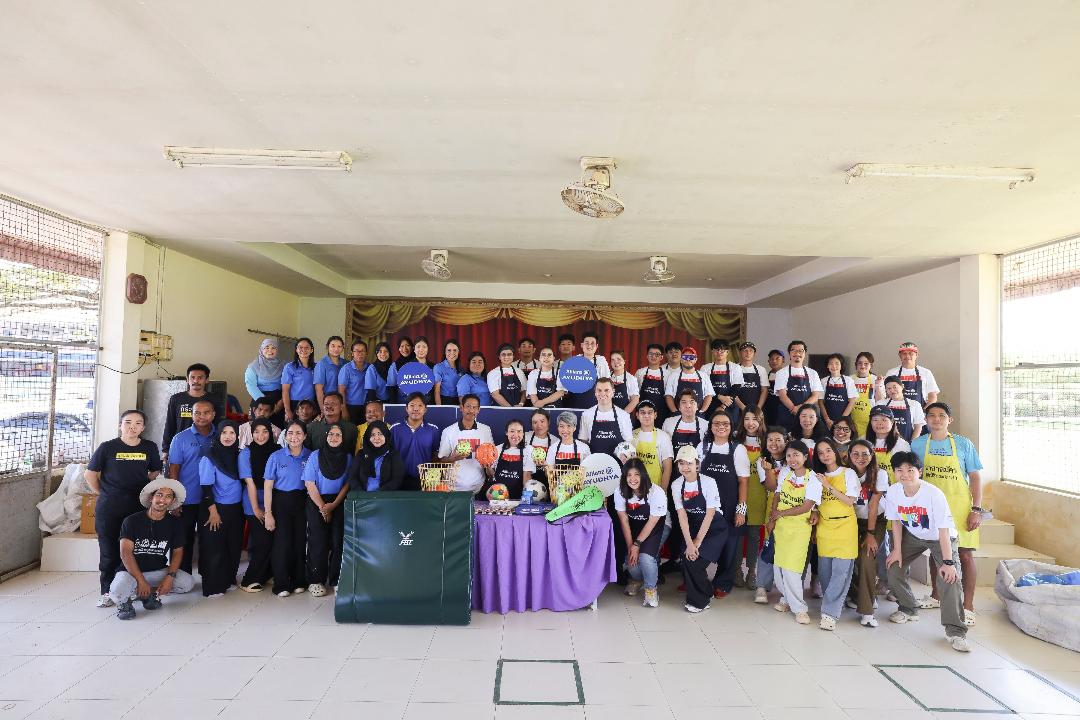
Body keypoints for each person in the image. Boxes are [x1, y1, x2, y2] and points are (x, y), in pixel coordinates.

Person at [884, 451, 970, 652]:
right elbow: (896, 521)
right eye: (900, 470)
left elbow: (943, 529)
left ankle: (956, 631)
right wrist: (897, 550)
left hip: (941, 538)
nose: (905, 474)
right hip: (913, 535)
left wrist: (948, 563)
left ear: (919, 472)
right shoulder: (894, 491)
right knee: (894, 567)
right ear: (894, 472)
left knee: (950, 578)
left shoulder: (933, 494)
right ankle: (908, 608)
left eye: (910, 470)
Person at [911, 402, 985, 626]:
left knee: (964, 554)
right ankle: (936, 595)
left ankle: (968, 606)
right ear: (925, 419)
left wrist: (976, 509)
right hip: (932, 508)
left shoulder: (963, 444)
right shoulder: (918, 444)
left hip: (960, 507)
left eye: (941, 415)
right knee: (937, 553)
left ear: (949, 420)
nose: (936, 419)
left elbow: (975, 477)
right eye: (931, 415)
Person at [85, 410, 162, 607]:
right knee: (109, 550)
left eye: (138, 423)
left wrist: (141, 485)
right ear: (120, 425)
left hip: (137, 507)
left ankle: (132, 589)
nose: (132, 426)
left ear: (143, 427)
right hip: (110, 507)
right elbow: (90, 474)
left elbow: (155, 471)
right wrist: (104, 492)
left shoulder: (149, 447)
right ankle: (107, 592)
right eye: (128, 422)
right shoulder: (107, 447)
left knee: (135, 550)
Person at [110, 478, 194, 620]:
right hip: (130, 572)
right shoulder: (131, 521)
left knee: (186, 583)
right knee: (117, 591)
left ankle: (148, 594)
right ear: (151, 498)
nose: (163, 500)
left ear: (172, 502)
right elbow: (125, 553)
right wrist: (141, 580)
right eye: (159, 495)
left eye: (168, 496)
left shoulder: (175, 524)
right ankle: (126, 601)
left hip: (157, 571)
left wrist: (169, 577)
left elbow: (178, 552)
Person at [808, 437, 860, 630]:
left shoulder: (848, 473)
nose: (825, 455)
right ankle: (834, 603)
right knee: (825, 573)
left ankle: (829, 614)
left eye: (828, 450)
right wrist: (814, 512)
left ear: (835, 452)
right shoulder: (816, 476)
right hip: (824, 528)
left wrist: (828, 485)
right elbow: (814, 501)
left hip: (845, 528)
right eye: (820, 453)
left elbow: (850, 501)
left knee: (841, 573)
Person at [698, 411, 750, 598]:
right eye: (717, 423)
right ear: (710, 427)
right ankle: (695, 578)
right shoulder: (702, 447)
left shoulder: (738, 449)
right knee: (700, 541)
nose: (721, 427)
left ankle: (723, 583)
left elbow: (744, 482)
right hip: (704, 506)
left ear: (731, 427)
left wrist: (741, 510)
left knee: (729, 547)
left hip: (729, 506)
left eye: (726, 424)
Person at [671, 445, 728, 613]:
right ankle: (706, 592)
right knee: (687, 557)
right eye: (681, 463)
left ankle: (699, 601)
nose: (685, 467)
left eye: (689, 463)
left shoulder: (709, 482)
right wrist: (689, 543)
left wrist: (697, 542)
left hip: (714, 527)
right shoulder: (676, 485)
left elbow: (710, 514)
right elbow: (682, 515)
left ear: (697, 464)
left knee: (696, 562)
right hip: (692, 525)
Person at [766, 441, 818, 624]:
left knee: (792, 569)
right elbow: (778, 495)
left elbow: (806, 507)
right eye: (789, 455)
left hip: (799, 528)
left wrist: (780, 513)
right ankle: (786, 599)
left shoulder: (813, 478)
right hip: (781, 527)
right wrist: (773, 518)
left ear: (805, 456)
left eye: (796, 454)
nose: (792, 459)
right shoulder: (786, 473)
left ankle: (800, 609)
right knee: (778, 567)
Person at [166, 399, 215, 575]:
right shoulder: (180, 438)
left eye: (206, 412)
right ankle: (180, 577)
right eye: (197, 413)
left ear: (213, 414)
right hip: (186, 499)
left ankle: (208, 576)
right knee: (182, 540)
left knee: (210, 540)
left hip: (212, 500)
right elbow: (173, 470)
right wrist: (175, 500)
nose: (201, 416)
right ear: (192, 415)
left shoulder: (221, 436)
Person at [264, 420, 312, 597]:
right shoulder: (276, 457)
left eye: (298, 433)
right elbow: (268, 486)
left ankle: (300, 580)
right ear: (285, 436)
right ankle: (282, 583)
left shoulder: (310, 456)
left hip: (302, 501)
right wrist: (268, 513)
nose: (294, 437)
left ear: (305, 436)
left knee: (300, 542)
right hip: (281, 501)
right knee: (282, 544)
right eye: (290, 433)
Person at [197, 420, 245, 597]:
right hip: (215, 509)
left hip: (236, 509)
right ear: (218, 434)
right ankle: (213, 587)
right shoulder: (209, 457)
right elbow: (206, 488)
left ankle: (228, 579)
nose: (228, 437)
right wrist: (213, 512)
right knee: (214, 548)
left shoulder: (238, 455)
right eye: (224, 432)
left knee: (232, 546)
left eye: (232, 433)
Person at [845, 438, 889, 627]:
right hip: (852, 521)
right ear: (849, 456)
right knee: (848, 557)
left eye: (865, 454)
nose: (860, 458)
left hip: (875, 522)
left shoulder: (880, 474)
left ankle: (867, 611)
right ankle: (857, 594)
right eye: (855, 454)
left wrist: (870, 534)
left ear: (872, 456)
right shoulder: (846, 473)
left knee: (866, 556)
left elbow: (873, 506)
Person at [303, 425, 351, 596]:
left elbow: (347, 484)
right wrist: (323, 507)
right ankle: (315, 580)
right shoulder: (315, 456)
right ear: (326, 436)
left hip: (338, 501)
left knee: (338, 541)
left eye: (338, 434)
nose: (334, 437)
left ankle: (336, 579)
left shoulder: (347, 457)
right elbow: (309, 483)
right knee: (318, 541)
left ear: (343, 438)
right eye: (331, 434)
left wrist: (334, 505)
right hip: (317, 500)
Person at [615, 458, 669, 608]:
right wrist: (630, 547)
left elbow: (653, 520)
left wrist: (637, 544)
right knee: (631, 563)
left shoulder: (656, 492)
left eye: (636, 474)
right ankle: (638, 580)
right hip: (635, 526)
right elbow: (624, 519)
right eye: (629, 475)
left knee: (645, 558)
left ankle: (651, 589)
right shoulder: (620, 492)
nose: (632, 479)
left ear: (643, 475)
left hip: (657, 525)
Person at [238, 418, 276, 592]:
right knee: (262, 541)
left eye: (265, 431)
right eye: (256, 432)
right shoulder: (246, 453)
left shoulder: (277, 451)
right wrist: (256, 509)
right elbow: (250, 483)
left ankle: (265, 574)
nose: (260, 436)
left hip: (272, 500)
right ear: (251, 433)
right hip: (252, 501)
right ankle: (248, 579)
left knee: (272, 540)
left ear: (271, 433)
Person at [752, 426, 789, 604]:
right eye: (770, 440)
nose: (774, 444)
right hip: (772, 506)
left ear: (786, 441)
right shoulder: (762, 461)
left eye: (778, 440)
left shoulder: (793, 458)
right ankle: (762, 586)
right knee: (769, 544)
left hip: (794, 506)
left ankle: (787, 588)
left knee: (789, 546)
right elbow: (772, 487)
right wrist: (768, 470)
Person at [735, 406, 769, 589]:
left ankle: (751, 571)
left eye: (754, 419)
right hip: (739, 492)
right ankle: (737, 570)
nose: (750, 423)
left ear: (760, 421)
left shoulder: (766, 442)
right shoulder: (735, 439)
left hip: (759, 493)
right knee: (738, 535)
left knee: (754, 535)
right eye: (747, 419)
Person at [162, 363, 220, 462]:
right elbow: (170, 424)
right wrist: (166, 449)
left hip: (206, 445)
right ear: (187, 379)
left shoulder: (215, 400)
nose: (196, 381)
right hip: (180, 445)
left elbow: (219, 424)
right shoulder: (176, 399)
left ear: (207, 380)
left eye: (200, 378)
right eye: (192, 377)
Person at [437, 394, 494, 494]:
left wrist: (488, 463)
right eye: (468, 406)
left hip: (478, 488)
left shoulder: (485, 430)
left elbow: (491, 458)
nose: (471, 410)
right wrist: (453, 458)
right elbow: (441, 461)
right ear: (461, 408)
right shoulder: (448, 431)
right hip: (453, 489)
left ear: (478, 410)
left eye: (474, 407)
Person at [393, 393, 441, 490]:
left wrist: (433, 481)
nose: (416, 409)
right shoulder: (395, 428)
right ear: (406, 408)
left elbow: (436, 456)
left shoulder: (433, 430)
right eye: (412, 405)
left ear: (425, 409)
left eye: (420, 405)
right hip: (399, 480)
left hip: (425, 480)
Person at [773, 340, 823, 432]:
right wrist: (794, 409)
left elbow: (815, 395)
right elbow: (782, 395)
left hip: (807, 417)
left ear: (804, 353)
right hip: (787, 414)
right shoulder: (781, 373)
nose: (797, 353)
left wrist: (801, 410)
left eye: (801, 350)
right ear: (789, 353)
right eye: (794, 350)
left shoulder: (812, 373)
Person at [481, 419, 534, 499]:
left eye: (519, 431)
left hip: (517, 496)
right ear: (506, 433)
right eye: (512, 431)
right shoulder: (497, 449)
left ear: (523, 433)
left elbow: (527, 476)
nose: (516, 435)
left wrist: (526, 498)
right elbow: (491, 474)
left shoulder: (529, 450)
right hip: (497, 497)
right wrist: (488, 467)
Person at [578, 378, 634, 455]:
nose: (602, 394)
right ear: (595, 392)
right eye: (599, 390)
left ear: (613, 392)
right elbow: (583, 442)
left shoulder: (624, 416)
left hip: (617, 465)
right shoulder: (586, 415)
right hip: (593, 464)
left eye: (606, 390)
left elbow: (628, 444)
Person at [349, 421, 405, 492]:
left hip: (384, 497)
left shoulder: (394, 455)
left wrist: (378, 495)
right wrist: (362, 494)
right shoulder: (361, 454)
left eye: (380, 434)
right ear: (368, 437)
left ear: (386, 435)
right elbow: (352, 477)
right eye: (372, 435)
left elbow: (397, 479)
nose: (376, 438)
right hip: (363, 498)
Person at [884, 341, 940, 410]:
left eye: (911, 353)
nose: (907, 356)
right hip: (895, 412)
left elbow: (932, 397)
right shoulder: (892, 373)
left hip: (920, 412)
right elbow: (886, 395)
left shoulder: (926, 372)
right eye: (904, 353)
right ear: (899, 355)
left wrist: (923, 412)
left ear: (917, 355)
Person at [632, 400, 673, 491]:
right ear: (637, 415)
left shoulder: (663, 436)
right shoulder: (632, 435)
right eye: (643, 412)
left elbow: (668, 467)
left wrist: (662, 492)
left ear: (655, 415)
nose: (646, 416)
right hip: (634, 489)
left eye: (650, 412)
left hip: (656, 489)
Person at [566, 331, 611, 409]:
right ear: (582, 345)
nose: (589, 346)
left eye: (592, 343)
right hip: (574, 403)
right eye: (586, 343)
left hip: (594, 404)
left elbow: (606, 383)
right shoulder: (574, 361)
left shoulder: (601, 361)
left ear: (596, 346)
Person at [866, 406, 910, 486]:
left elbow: (905, 471)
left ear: (892, 422)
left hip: (893, 490)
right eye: (875, 420)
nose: (879, 423)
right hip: (870, 488)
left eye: (884, 420)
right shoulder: (863, 441)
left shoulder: (902, 445)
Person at [702, 340, 743, 424]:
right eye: (716, 349)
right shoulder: (705, 368)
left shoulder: (735, 367)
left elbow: (736, 387)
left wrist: (723, 406)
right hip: (711, 404)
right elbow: (704, 388)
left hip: (730, 404)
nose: (719, 352)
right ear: (712, 351)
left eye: (722, 350)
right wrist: (719, 396)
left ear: (727, 352)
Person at [664, 347, 714, 416]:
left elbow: (709, 396)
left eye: (691, 357)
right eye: (685, 357)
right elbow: (668, 396)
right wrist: (675, 412)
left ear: (695, 360)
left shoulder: (703, 376)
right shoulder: (673, 376)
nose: (688, 359)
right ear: (681, 360)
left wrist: (701, 411)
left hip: (698, 415)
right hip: (678, 415)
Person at [244, 338, 284, 425]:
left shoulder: (283, 366)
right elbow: (251, 386)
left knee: (277, 428)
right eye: (267, 347)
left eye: (273, 348)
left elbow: (287, 385)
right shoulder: (253, 366)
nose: (270, 350)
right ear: (262, 349)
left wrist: (281, 403)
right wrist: (265, 403)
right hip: (259, 400)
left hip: (278, 401)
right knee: (259, 428)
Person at [876, 375, 926, 442]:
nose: (892, 391)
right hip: (885, 444)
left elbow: (918, 427)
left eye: (895, 387)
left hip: (906, 443)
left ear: (902, 386)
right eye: (889, 388)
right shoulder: (882, 404)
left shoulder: (914, 404)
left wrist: (912, 444)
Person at [389, 336, 435, 404]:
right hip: (409, 404)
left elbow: (434, 389)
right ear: (414, 349)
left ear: (427, 349)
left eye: (424, 347)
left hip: (428, 404)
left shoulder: (433, 367)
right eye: (418, 347)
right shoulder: (406, 366)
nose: (421, 349)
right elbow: (401, 389)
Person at [661, 389, 709, 454]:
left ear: (697, 406)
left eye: (692, 402)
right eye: (684, 402)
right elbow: (663, 450)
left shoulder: (706, 425)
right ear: (679, 407)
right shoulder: (668, 423)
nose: (688, 406)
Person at [282, 337, 316, 423]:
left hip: (311, 404)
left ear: (311, 350)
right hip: (295, 404)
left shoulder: (317, 367)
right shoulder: (289, 367)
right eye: (300, 347)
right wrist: (288, 410)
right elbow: (285, 391)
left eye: (307, 347)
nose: (303, 350)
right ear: (296, 350)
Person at [819, 354, 857, 428]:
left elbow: (852, 402)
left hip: (844, 421)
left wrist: (841, 421)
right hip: (827, 422)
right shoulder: (823, 381)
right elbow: (820, 402)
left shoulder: (848, 380)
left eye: (837, 363)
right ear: (827, 366)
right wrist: (827, 420)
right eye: (831, 363)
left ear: (841, 365)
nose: (834, 366)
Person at [524, 409, 557, 492]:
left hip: (546, 479)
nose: (539, 425)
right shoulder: (524, 437)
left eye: (542, 421)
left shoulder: (555, 442)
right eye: (535, 422)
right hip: (526, 478)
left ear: (548, 422)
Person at [634, 344, 669, 421]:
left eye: (657, 354)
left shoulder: (668, 374)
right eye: (651, 354)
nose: (653, 356)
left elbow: (668, 396)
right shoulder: (640, 372)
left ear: (661, 357)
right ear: (647, 356)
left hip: (661, 414)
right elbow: (635, 395)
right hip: (643, 414)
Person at [337, 340, 370, 422]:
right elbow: (341, 391)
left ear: (366, 353)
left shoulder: (370, 368)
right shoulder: (346, 369)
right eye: (356, 351)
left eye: (362, 351)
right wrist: (344, 410)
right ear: (352, 353)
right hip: (351, 407)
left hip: (368, 407)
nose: (360, 353)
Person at [735, 342, 770, 419]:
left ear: (754, 353)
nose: (748, 353)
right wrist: (743, 408)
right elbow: (732, 391)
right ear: (740, 352)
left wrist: (758, 408)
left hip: (757, 409)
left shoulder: (761, 369)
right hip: (737, 408)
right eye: (745, 350)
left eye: (751, 350)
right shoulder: (734, 369)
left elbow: (764, 390)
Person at [850, 351, 880, 437]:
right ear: (856, 365)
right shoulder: (849, 379)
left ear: (871, 365)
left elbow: (880, 401)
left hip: (870, 421)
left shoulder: (876, 379)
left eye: (866, 363)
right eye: (860, 363)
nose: (862, 366)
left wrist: (878, 385)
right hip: (852, 421)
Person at [488, 343, 527, 407]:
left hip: (518, 409)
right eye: (503, 355)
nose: (506, 357)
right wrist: (510, 408)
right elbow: (495, 395)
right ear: (499, 357)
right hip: (500, 410)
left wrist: (521, 404)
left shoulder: (519, 372)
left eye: (509, 354)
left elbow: (524, 391)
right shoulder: (493, 373)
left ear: (513, 356)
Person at [314, 335, 346, 409]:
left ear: (343, 348)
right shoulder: (322, 364)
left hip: (344, 401)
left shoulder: (346, 363)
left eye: (339, 346)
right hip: (328, 401)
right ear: (327, 347)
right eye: (333, 346)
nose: (336, 349)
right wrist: (323, 409)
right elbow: (318, 389)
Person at [386, 336, 416, 402]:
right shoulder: (395, 365)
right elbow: (391, 387)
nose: (405, 349)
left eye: (407, 345)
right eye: (402, 346)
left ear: (412, 347)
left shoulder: (419, 363)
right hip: (402, 402)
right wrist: (393, 405)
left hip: (418, 402)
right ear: (399, 349)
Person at [433, 339, 462, 406]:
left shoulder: (461, 369)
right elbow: (437, 391)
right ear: (445, 352)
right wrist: (439, 407)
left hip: (459, 401)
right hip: (445, 401)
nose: (452, 353)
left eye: (455, 350)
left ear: (458, 352)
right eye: (449, 350)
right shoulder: (438, 367)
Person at [763, 349, 785, 426]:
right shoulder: (765, 376)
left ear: (783, 360)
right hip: (768, 412)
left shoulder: (788, 376)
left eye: (777, 358)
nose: (774, 361)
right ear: (768, 361)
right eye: (771, 359)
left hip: (783, 412)